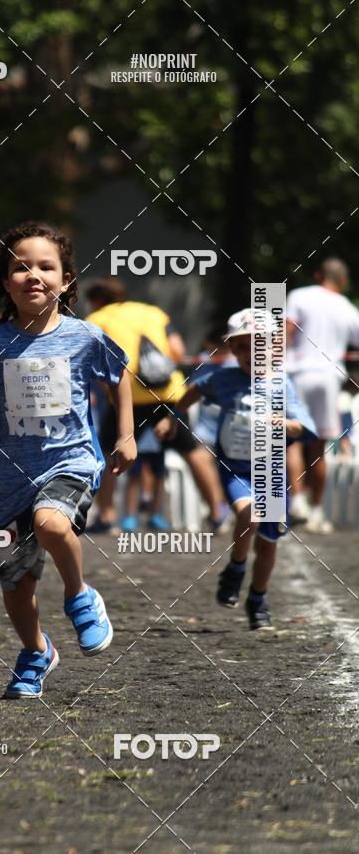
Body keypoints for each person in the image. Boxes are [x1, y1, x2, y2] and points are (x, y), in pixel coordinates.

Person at [0, 222, 136, 698]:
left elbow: (120, 372)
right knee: (15, 584)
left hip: (70, 462)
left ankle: (79, 597)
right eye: (20, 267)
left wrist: (126, 436)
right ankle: (36, 652)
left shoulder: (85, 336)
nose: (33, 275)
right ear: (6, 282)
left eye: (45, 266)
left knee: (51, 524)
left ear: (65, 280)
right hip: (11, 477)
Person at [156, 308, 317, 630]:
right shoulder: (223, 378)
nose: (248, 353)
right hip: (235, 470)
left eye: (257, 344)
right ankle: (235, 569)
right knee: (250, 515)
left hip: (272, 475)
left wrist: (286, 424)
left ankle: (257, 600)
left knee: (268, 544)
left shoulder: (282, 386)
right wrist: (170, 418)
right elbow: (195, 391)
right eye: (240, 346)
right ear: (230, 350)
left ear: (275, 347)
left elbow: (307, 428)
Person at [86, 277, 227, 533]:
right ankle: (217, 512)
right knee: (192, 451)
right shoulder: (153, 312)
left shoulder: (96, 319)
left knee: (108, 454)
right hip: (168, 392)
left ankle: (106, 515)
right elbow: (177, 349)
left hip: (126, 394)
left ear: (96, 300)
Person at [286, 258, 359, 533]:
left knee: (292, 442)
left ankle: (298, 501)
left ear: (318, 275)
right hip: (329, 377)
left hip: (299, 374)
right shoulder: (348, 308)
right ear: (343, 281)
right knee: (319, 448)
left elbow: (288, 332)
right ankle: (316, 512)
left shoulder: (300, 296)